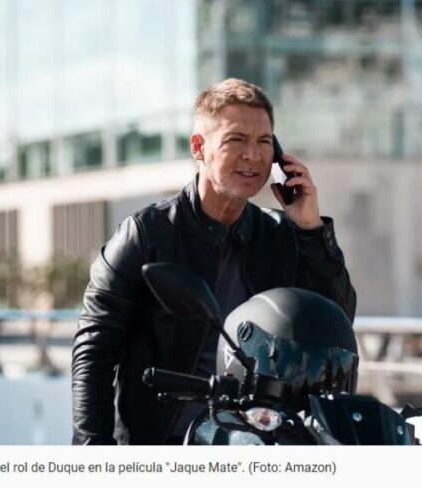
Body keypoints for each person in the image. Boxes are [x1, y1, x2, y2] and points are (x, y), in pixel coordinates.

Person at [71, 78, 357, 445]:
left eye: (264, 142)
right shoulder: (146, 234)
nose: (253, 155)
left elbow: (337, 323)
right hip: (163, 445)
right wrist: (93, 453)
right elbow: (94, 350)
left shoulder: (282, 235)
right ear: (199, 147)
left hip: (256, 444)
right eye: (236, 139)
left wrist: (311, 230)